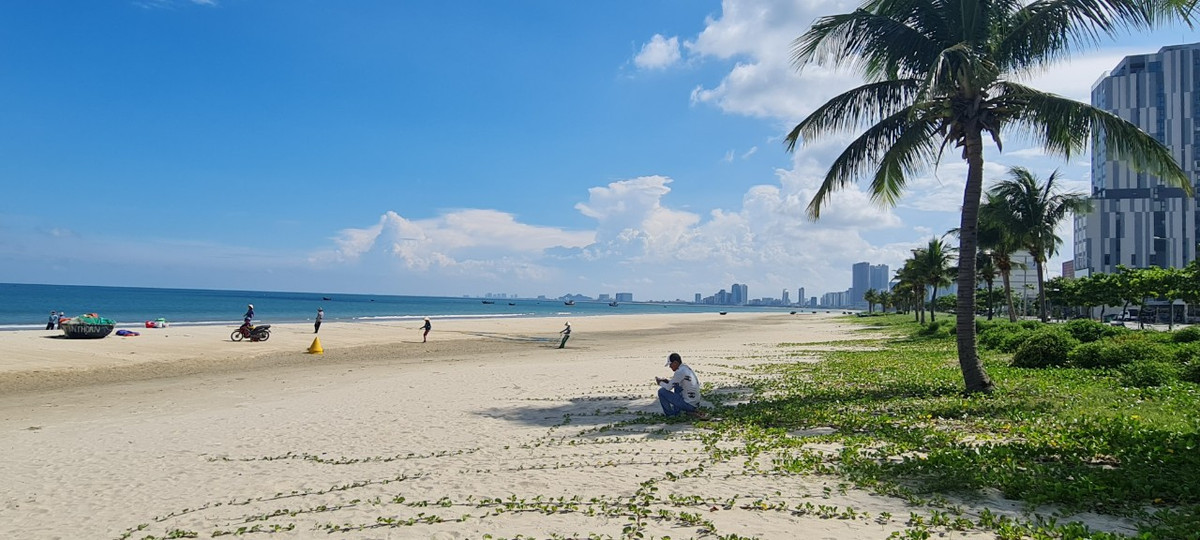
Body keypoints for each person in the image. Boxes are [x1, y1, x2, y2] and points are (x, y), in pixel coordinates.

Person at [656, 352, 702, 417]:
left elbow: (668, 388)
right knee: (676, 386)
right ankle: (678, 410)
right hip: (694, 403)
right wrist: (667, 381)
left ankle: (670, 414)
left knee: (661, 391)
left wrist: (660, 383)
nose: (670, 366)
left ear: (675, 363)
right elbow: (676, 383)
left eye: (670, 364)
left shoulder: (679, 372)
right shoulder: (685, 368)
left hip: (689, 405)